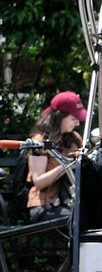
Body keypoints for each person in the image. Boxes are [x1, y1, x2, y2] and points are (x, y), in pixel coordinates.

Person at [26, 90, 85, 221]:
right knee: (77, 220)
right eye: (73, 118)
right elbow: (39, 181)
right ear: (59, 116)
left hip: (72, 201)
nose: (77, 123)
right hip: (44, 204)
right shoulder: (39, 141)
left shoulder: (74, 138)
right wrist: (66, 166)